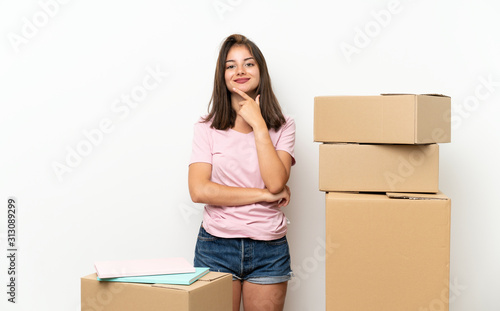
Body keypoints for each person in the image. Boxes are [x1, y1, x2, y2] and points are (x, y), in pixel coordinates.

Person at [188, 34, 295, 311]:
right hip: (216, 246)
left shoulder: (284, 126)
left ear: (261, 70)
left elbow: (276, 181)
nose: (240, 71)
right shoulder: (206, 128)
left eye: (248, 64)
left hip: (269, 248)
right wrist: (263, 194)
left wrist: (259, 124)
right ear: (222, 75)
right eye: (231, 66)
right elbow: (199, 190)